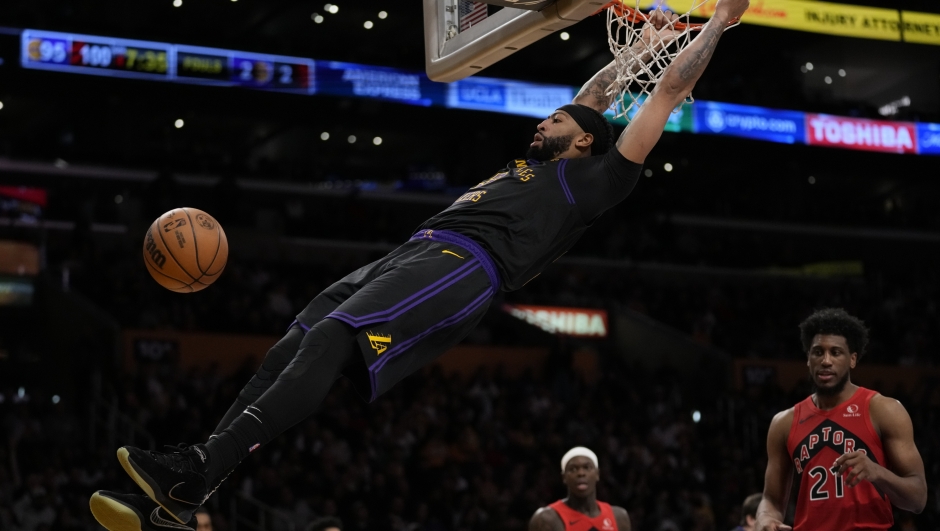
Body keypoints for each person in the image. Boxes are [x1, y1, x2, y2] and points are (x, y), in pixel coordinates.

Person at [89, 0, 751, 529]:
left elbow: (664, 93)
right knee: (287, 344)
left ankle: (198, 470)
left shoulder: (596, 180)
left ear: (581, 141)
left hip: (465, 266)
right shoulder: (543, 157)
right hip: (414, 249)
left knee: (328, 339)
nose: (539, 123)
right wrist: (633, 50)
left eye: (553, 119)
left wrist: (719, 19)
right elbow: (594, 96)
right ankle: (182, 493)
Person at [755, 308, 927, 531]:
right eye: (818, 352)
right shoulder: (783, 423)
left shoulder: (884, 409)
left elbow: (918, 498)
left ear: (852, 359)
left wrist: (878, 472)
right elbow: (771, 499)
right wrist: (765, 519)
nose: (826, 361)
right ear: (808, 359)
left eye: (836, 352)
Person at [528, 447, 630, 531]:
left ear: (597, 474)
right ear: (564, 477)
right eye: (573, 469)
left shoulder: (619, 517)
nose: (581, 473)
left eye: (587, 467)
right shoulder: (547, 519)